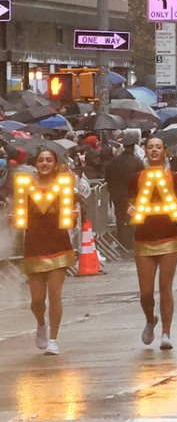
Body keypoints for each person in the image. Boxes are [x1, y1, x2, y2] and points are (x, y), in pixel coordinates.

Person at [15, 148, 76, 355]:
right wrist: (14, 218)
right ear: (36, 164)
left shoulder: (64, 186)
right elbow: (19, 216)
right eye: (41, 160)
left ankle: (54, 339)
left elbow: (74, 215)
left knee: (55, 294)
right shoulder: (25, 187)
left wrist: (75, 215)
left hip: (59, 244)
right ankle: (41, 323)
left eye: (49, 160)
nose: (44, 163)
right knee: (37, 300)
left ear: (55, 163)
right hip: (34, 246)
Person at [130, 136, 177, 350]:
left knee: (166, 287)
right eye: (150, 147)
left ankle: (166, 332)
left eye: (158, 147)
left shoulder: (174, 177)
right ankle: (150, 319)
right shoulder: (136, 178)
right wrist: (129, 210)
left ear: (165, 151)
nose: (154, 150)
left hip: (169, 237)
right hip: (144, 238)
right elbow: (129, 204)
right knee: (146, 293)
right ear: (144, 151)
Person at [105, 134, 145, 250]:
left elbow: (107, 176)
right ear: (133, 147)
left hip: (117, 195)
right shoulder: (137, 162)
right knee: (132, 217)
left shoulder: (114, 161)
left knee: (120, 218)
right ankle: (131, 239)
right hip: (133, 196)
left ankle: (122, 240)